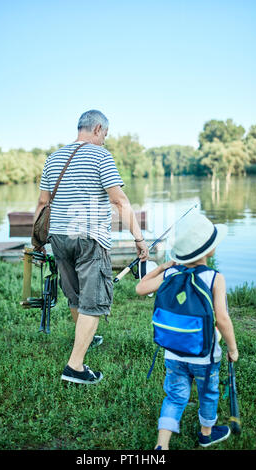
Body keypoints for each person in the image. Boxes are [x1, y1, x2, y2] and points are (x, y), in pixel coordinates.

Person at [34, 109, 149, 385]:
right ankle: (75, 367)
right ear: (97, 129)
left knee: (74, 294)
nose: (105, 141)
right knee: (94, 301)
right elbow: (120, 202)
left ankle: (86, 336)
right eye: (105, 135)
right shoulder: (101, 156)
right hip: (89, 238)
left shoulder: (53, 158)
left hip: (58, 238)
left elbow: (41, 204)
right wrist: (139, 239)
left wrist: (37, 240)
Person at [135, 211, 239, 449]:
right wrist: (232, 348)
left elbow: (140, 288)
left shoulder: (171, 273)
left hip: (173, 353)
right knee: (208, 394)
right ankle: (206, 433)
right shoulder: (215, 278)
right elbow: (222, 319)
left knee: (174, 397)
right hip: (205, 356)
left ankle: (162, 445)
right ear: (209, 250)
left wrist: (165, 266)